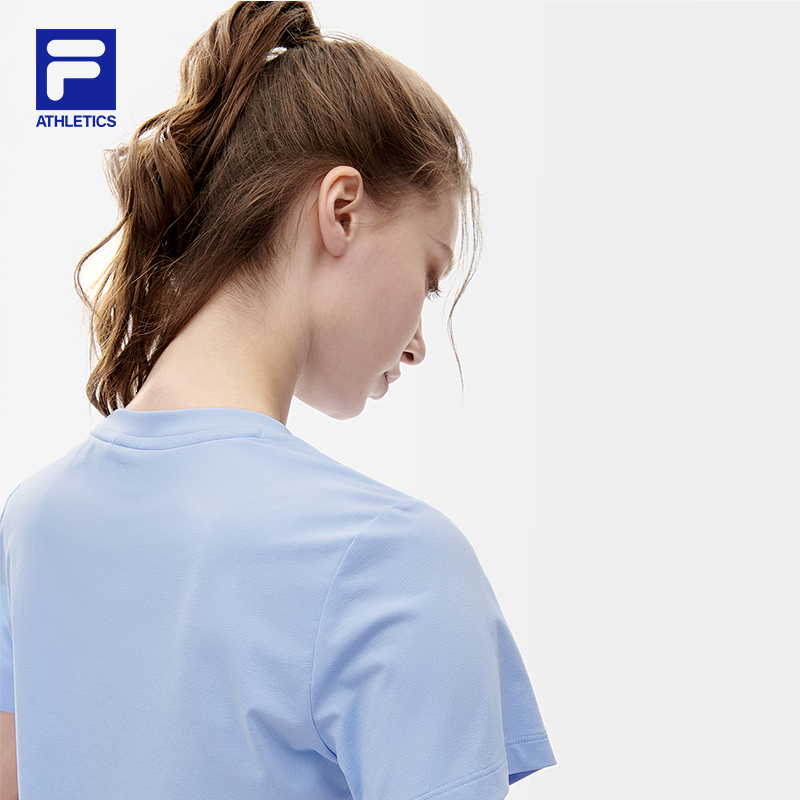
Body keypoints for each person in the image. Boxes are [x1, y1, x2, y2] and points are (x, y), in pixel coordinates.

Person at [0, 2, 555, 798]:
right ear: (341, 210)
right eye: (429, 276)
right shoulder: (395, 562)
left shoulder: (31, 523)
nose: (418, 343)